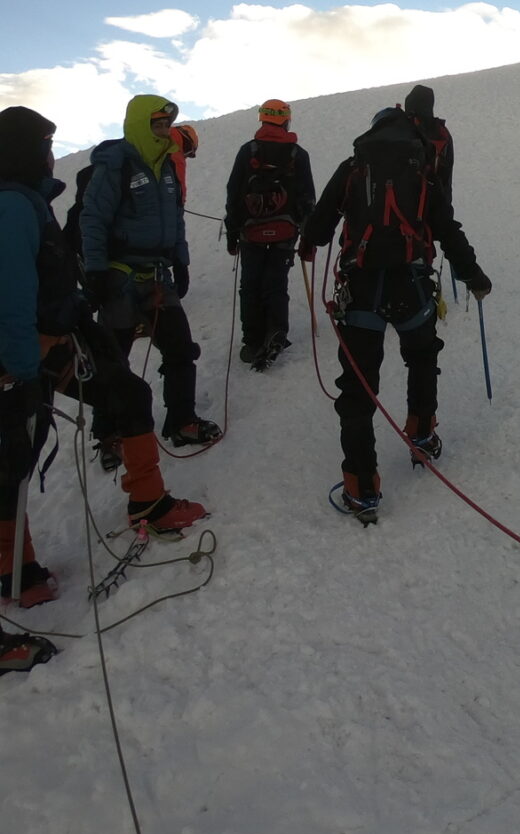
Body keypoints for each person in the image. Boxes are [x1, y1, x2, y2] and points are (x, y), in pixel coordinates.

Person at [0, 106, 206, 652]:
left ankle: (145, 501)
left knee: (120, 393)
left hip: (57, 337)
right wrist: (21, 369)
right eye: (45, 143)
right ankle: (14, 567)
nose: (51, 152)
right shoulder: (13, 207)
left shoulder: (26, 201)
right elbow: (13, 292)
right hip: (30, 351)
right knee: (14, 450)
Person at [299, 105, 490, 519]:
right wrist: (473, 275)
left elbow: (320, 224)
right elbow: (447, 230)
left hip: (361, 288)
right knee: (422, 357)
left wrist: (308, 243)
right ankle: (422, 437)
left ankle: (361, 488)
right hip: (411, 285)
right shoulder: (421, 171)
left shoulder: (354, 166)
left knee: (358, 388)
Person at [78, 94, 220, 448]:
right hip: (120, 276)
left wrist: (181, 261)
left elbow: (175, 219)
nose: (164, 131)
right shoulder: (115, 166)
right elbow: (93, 219)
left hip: (158, 273)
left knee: (180, 349)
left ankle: (182, 421)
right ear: (140, 124)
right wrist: (95, 271)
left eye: (167, 125)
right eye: (157, 124)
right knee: (114, 358)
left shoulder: (166, 167)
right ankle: (109, 434)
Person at [224, 99, 316, 369]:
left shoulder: (248, 151)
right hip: (285, 231)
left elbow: (234, 193)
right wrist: (308, 238)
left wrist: (232, 232)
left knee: (250, 284)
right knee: (276, 282)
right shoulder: (297, 154)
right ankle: (276, 330)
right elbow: (307, 197)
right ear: (286, 119)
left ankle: (252, 340)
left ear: (262, 120)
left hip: (250, 230)